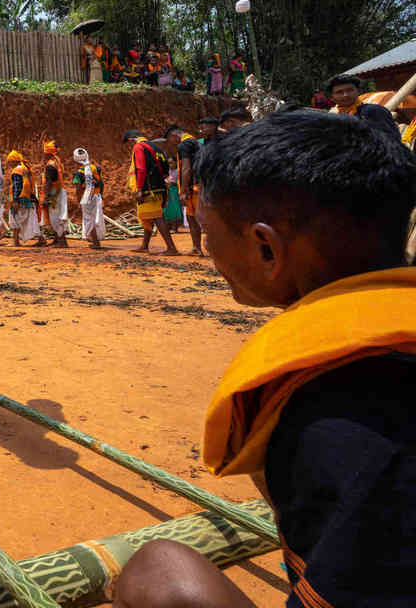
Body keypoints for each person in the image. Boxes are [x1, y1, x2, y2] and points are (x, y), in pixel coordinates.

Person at [112, 110, 416, 608]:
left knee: (157, 570)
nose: (210, 255)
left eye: (210, 237)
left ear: (265, 249)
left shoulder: (330, 419)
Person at [123, 130, 179, 255]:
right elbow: (165, 169)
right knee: (149, 216)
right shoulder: (156, 148)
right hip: (159, 187)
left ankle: (172, 248)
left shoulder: (139, 147)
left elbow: (141, 168)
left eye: (128, 144)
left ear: (132, 138)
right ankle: (144, 245)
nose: (130, 147)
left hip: (148, 188)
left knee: (157, 217)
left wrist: (139, 189)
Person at [166, 125, 204, 255]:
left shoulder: (184, 145)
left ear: (174, 135)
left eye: (171, 140)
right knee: (195, 217)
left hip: (193, 188)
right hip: (202, 185)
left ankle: (199, 247)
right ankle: (196, 248)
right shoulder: (197, 143)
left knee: (194, 218)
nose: (172, 143)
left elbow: (186, 168)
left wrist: (182, 190)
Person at [325, 74, 399, 137]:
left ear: (359, 91)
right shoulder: (333, 117)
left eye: (350, 90)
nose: (346, 95)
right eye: (339, 92)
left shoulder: (373, 111)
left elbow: (390, 141)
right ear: (332, 98)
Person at [71, 148, 104, 249]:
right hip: (97, 195)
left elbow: (78, 188)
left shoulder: (79, 174)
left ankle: (96, 242)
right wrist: (100, 194)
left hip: (87, 197)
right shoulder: (96, 168)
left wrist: (79, 200)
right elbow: (101, 183)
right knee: (96, 218)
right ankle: (94, 239)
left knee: (89, 219)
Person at [38, 140, 68, 247]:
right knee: (57, 215)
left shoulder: (50, 165)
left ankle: (62, 241)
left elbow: (48, 183)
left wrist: (46, 197)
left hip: (54, 193)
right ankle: (57, 239)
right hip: (58, 191)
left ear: (47, 153)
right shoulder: (57, 162)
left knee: (55, 217)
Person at [6, 150, 39, 246]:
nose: (9, 164)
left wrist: (15, 201)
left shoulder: (16, 170)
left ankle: (15, 241)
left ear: (13, 161)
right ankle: (41, 239)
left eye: (10, 161)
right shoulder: (25, 168)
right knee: (31, 219)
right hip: (28, 198)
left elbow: (17, 186)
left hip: (20, 199)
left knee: (14, 218)